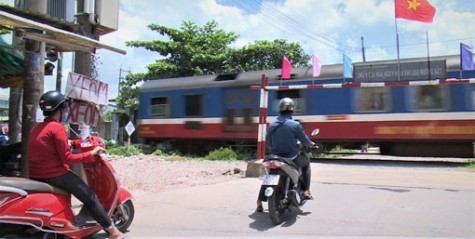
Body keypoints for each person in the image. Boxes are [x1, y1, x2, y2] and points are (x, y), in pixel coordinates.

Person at [28, 90, 126, 239]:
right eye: (65, 109)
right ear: (60, 110)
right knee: (91, 198)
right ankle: (113, 233)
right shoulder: (56, 128)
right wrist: (91, 154)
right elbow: (67, 158)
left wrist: (72, 143)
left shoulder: (37, 128)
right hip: (54, 175)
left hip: (37, 174)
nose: (66, 112)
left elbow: (52, 146)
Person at [256, 97, 315, 212]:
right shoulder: (295, 125)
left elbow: (268, 142)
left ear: (280, 110)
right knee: (306, 164)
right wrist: (311, 144)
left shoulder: (272, 124)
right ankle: (306, 190)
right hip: (291, 157)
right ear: (292, 110)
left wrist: (276, 149)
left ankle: (259, 202)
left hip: (275, 157)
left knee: (268, 177)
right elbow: (305, 141)